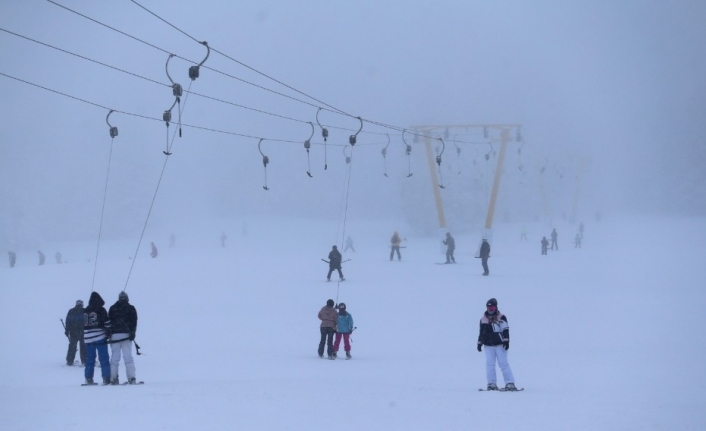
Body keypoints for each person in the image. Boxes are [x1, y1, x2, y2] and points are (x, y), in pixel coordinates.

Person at [477, 298, 517, 391]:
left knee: (503, 363)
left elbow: (505, 329)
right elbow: (482, 332)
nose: (491, 310)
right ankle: (491, 383)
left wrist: (506, 341)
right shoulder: (483, 319)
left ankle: (509, 383)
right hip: (488, 346)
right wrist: (479, 343)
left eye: (492, 308)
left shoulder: (501, 317)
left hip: (500, 345)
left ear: (496, 307)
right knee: (490, 364)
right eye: (489, 308)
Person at [108, 291, 138, 385]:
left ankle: (113, 378)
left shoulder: (113, 308)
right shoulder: (131, 308)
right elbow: (134, 322)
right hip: (126, 335)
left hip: (114, 336)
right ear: (127, 298)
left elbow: (108, 322)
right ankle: (131, 378)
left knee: (114, 358)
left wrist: (109, 334)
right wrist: (133, 333)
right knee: (128, 357)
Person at [83, 291, 111, 385]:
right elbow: (107, 322)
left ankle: (88, 378)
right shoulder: (101, 309)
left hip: (87, 337)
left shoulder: (85, 310)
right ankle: (106, 378)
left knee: (90, 359)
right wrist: (108, 331)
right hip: (99, 336)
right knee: (103, 358)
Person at [65, 300, 86, 366]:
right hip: (83, 332)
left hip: (73, 332)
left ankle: (70, 361)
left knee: (72, 346)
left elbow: (68, 322)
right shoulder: (85, 311)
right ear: (82, 304)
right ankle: (84, 360)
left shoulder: (71, 311)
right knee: (83, 347)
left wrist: (67, 330)